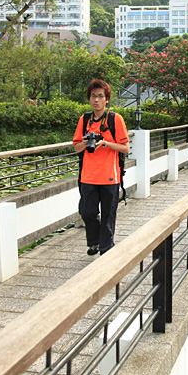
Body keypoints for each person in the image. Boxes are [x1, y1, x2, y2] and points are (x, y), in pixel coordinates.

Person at [73, 80, 130, 256]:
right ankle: (95, 241)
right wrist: (85, 142)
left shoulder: (115, 119)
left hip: (109, 176)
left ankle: (106, 250)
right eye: (93, 96)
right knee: (87, 212)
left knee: (108, 216)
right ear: (89, 99)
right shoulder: (85, 119)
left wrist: (105, 143)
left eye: (100, 96)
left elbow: (125, 148)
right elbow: (76, 148)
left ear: (107, 100)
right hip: (88, 176)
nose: (96, 100)